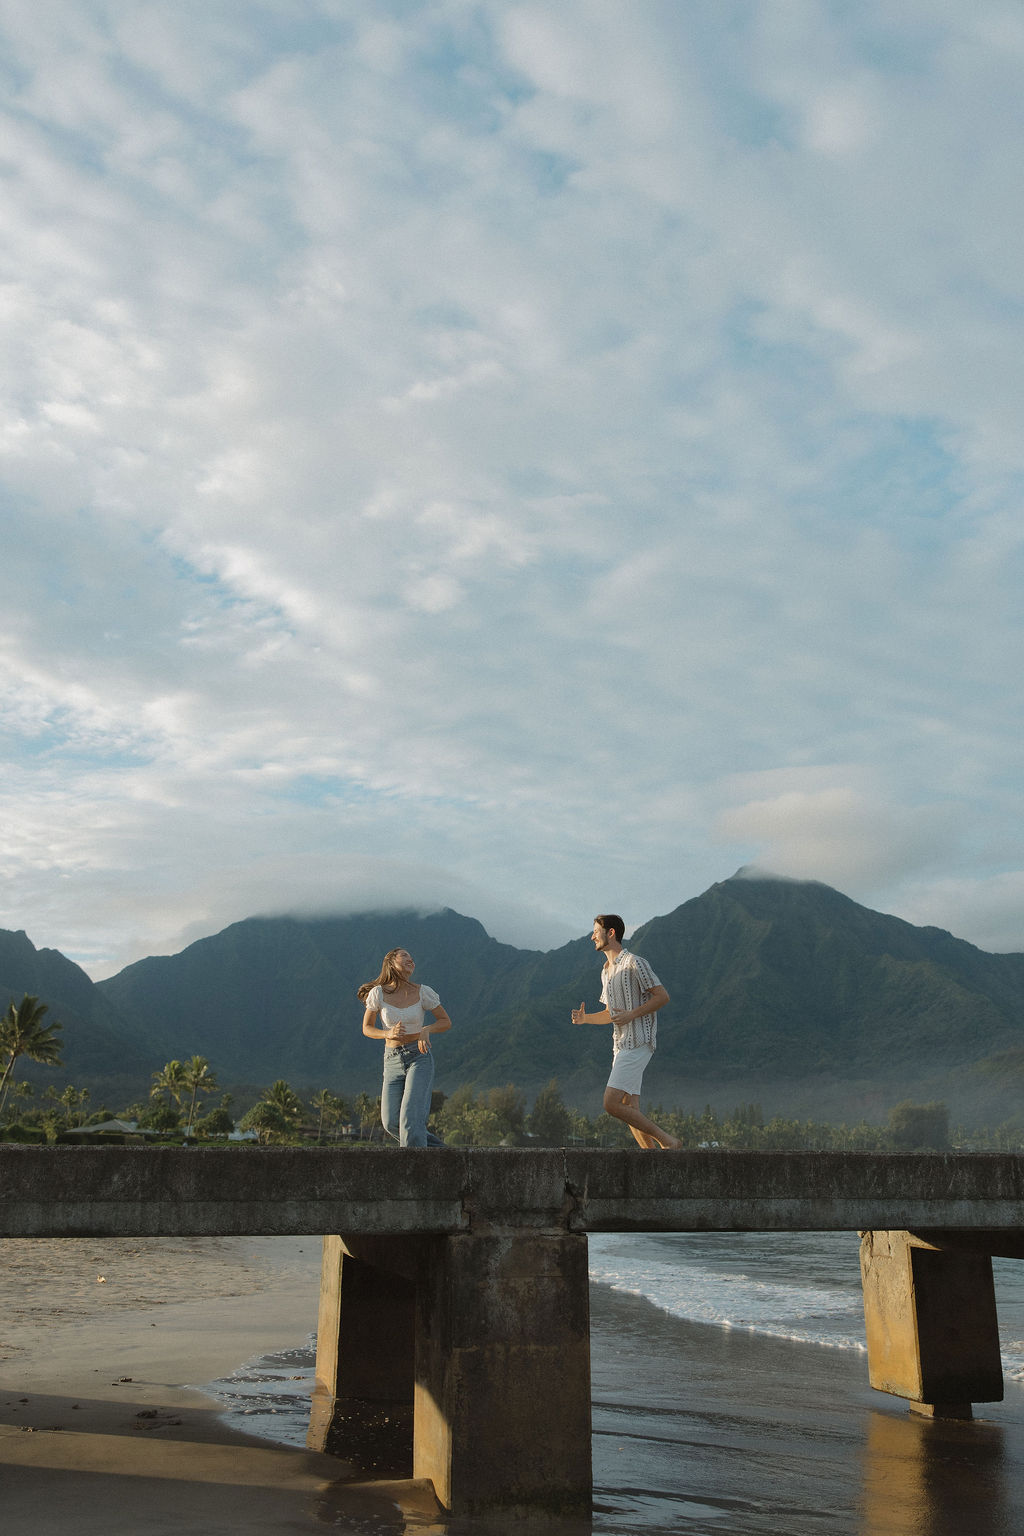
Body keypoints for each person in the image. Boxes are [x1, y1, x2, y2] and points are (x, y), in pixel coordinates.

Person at [571, 914, 681, 1149]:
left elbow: (663, 996)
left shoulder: (634, 962)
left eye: (596, 931)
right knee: (628, 1107)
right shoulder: (606, 972)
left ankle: (668, 1141)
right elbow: (612, 1013)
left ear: (611, 933)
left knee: (611, 1104)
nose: (592, 936)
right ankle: (651, 1155)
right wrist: (586, 1019)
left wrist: (632, 1014)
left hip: (638, 1041)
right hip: (620, 1045)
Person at [358, 947, 451, 1147]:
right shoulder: (378, 994)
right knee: (391, 1122)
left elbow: (445, 1021)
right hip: (391, 1059)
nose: (411, 959)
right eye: (405, 956)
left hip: (419, 1057)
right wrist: (387, 1033)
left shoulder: (423, 992)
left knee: (410, 1118)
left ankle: (415, 1173)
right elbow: (367, 1028)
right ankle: (445, 1154)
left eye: (411, 956)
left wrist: (427, 1029)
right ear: (391, 963)